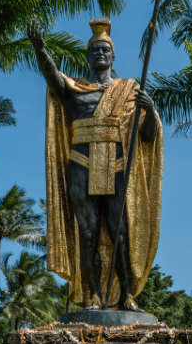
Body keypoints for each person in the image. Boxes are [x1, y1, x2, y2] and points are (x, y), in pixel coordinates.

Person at [29, 19, 164, 311]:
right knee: (88, 233)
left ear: (113, 57)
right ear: (88, 57)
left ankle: (126, 294)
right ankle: (95, 294)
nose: (100, 53)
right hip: (82, 163)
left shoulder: (129, 90)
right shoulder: (75, 89)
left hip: (116, 164)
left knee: (119, 232)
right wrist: (40, 49)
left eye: (105, 50)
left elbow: (148, 136)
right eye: (95, 50)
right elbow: (52, 77)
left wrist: (150, 110)